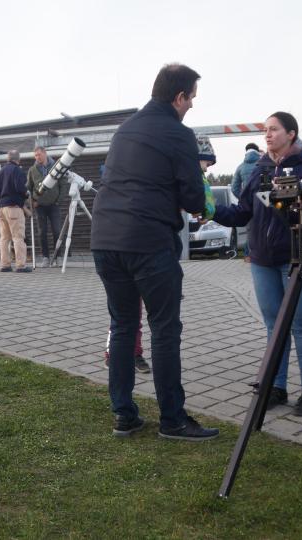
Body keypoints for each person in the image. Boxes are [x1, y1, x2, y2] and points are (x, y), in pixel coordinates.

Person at [91, 63, 219, 441]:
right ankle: (173, 420)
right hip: (147, 242)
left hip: (105, 240)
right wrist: (200, 199)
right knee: (164, 329)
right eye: (192, 98)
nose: (192, 105)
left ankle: (124, 415)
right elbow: (194, 196)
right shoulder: (179, 134)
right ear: (178, 97)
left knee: (123, 325)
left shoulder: (124, 130)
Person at [212, 112, 302, 417]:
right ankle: (277, 389)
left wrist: (297, 206)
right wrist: (209, 209)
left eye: (274, 130)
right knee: (273, 326)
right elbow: (242, 212)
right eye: (265, 130)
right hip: (262, 260)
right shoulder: (259, 169)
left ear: (291, 133)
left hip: (297, 259)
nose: (268, 135)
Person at [26, 145, 66, 266]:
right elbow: (28, 188)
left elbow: (63, 185)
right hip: (40, 206)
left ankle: (58, 257)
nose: (37, 157)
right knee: (42, 232)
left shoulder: (56, 166)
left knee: (57, 231)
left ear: (44, 153)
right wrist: (31, 202)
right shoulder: (32, 170)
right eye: (35, 156)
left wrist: (58, 201)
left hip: (54, 205)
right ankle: (45, 257)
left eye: (39, 154)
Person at [0, 150, 31, 272]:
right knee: (18, 237)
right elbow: (20, 188)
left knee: (4, 238)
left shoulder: (0, 172)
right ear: (18, 160)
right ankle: (21, 265)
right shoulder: (18, 171)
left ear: (7, 159)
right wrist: (26, 194)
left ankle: (5, 265)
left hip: (1, 209)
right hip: (14, 208)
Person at [232, 142, 261, 261]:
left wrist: (243, 198)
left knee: (250, 229)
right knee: (264, 227)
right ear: (257, 151)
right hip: (263, 201)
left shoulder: (240, 167)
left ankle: (249, 255)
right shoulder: (262, 164)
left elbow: (234, 188)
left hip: (248, 203)